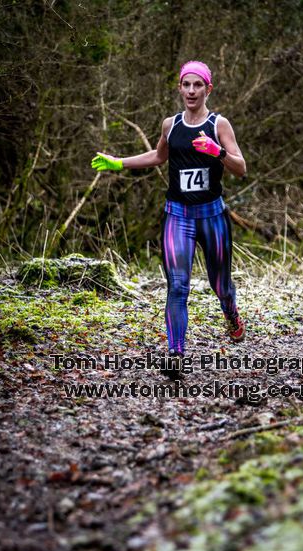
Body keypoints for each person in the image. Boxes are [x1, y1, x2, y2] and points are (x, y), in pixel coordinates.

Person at [92, 60, 246, 379]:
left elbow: (241, 168)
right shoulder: (170, 125)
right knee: (177, 286)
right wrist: (118, 163)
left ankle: (231, 313)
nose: (191, 91)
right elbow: (159, 156)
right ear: (179, 88)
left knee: (221, 286)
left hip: (213, 217)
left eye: (197, 85)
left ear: (208, 89)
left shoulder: (219, 125)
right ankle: (175, 355)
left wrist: (216, 151)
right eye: (186, 85)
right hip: (178, 216)